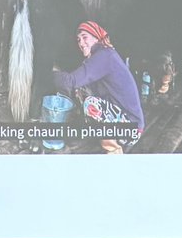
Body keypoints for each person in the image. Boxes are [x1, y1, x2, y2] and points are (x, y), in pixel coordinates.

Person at [52, 20, 145, 154]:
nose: (81, 43)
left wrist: (48, 73)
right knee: (82, 90)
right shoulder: (103, 55)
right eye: (78, 40)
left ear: (97, 37)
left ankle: (113, 151)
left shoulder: (105, 56)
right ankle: (105, 136)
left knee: (91, 104)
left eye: (85, 38)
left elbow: (71, 81)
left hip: (131, 129)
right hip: (125, 121)